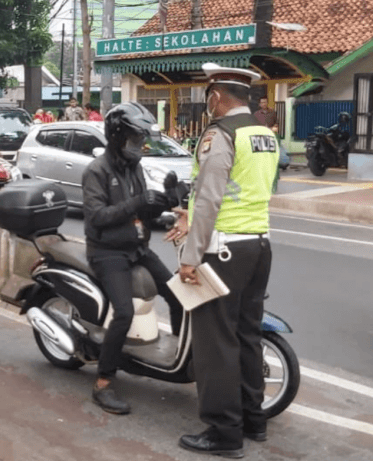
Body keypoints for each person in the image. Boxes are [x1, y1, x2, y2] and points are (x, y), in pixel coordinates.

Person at [170, 63, 279, 458]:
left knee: (215, 342)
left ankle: (223, 431)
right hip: (259, 245)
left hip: (224, 251)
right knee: (248, 336)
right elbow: (247, 191)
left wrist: (191, 256)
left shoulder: (219, 134)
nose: (208, 104)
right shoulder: (264, 134)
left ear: (216, 96)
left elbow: (213, 196)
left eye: (208, 97)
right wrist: (191, 214)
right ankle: (254, 420)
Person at [82, 102, 184, 415]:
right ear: (116, 136)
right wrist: (138, 203)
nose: (138, 146)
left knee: (179, 295)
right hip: (108, 252)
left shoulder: (134, 167)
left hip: (137, 248)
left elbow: (141, 209)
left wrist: (167, 199)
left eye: (140, 140)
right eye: (133, 139)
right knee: (124, 313)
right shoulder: (97, 171)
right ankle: (103, 382)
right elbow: (97, 217)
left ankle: (178, 358)